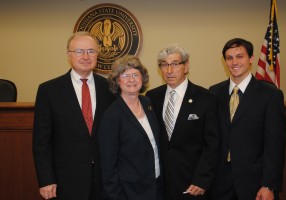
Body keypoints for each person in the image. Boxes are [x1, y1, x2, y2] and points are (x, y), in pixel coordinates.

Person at [32, 31, 115, 200]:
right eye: (79, 51)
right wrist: (46, 179)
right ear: (69, 55)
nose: (85, 56)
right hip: (66, 181)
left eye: (91, 51)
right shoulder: (49, 90)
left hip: (104, 180)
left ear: (97, 54)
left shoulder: (110, 88)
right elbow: (41, 142)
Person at [209, 38, 286, 200]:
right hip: (220, 183)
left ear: (251, 59)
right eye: (229, 58)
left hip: (255, 183)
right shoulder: (214, 92)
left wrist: (268, 185)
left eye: (240, 56)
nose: (234, 62)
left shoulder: (270, 95)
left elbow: (275, 145)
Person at [146, 43, 219, 200]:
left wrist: (202, 179)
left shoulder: (206, 98)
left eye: (175, 64)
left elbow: (212, 144)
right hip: (161, 184)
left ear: (186, 66)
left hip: (193, 183)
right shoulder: (152, 97)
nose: (169, 70)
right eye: (164, 65)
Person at [97, 55, 164, 200]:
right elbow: (108, 165)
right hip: (130, 191)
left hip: (156, 185)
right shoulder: (112, 115)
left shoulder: (148, 103)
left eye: (135, 75)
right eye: (125, 75)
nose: (131, 80)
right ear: (117, 80)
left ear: (142, 78)